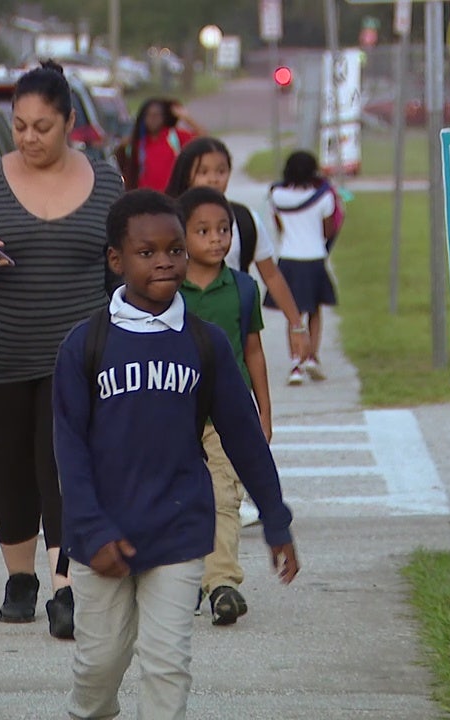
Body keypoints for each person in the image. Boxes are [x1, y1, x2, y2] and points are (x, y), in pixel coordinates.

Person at [53, 189, 299, 720]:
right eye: (147, 252)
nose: (164, 260)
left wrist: (276, 519)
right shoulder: (83, 346)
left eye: (174, 249)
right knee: (99, 665)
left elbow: (243, 437)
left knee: (167, 665)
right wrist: (92, 531)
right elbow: (69, 453)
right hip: (102, 537)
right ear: (116, 260)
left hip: (179, 530)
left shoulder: (204, 343)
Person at [0, 59, 125, 641]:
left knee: (61, 466)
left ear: (69, 123)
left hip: (78, 355)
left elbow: (124, 259)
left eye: (42, 126)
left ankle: (64, 586)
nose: (29, 137)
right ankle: (20, 579)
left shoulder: (107, 180)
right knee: (11, 469)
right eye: (19, 126)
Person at [165, 136, 309, 528]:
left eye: (222, 170)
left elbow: (271, 275)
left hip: (229, 365)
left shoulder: (244, 220)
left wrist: (297, 323)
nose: (214, 178)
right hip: (178, 381)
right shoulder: (167, 223)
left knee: (224, 477)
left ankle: (223, 557)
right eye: (204, 170)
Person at [175, 185, 272, 626]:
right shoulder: (166, 289)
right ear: (182, 237)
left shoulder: (245, 289)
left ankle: (223, 584)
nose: (216, 239)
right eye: (204, 231)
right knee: (177, 498)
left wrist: (262, 413)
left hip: (225, 417)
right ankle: (182, 578)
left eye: (224, 230)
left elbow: (253, 351)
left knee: (223, 498)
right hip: (172, 412)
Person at [266, 150, 338, 386]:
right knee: (315, 311)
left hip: (289, 257)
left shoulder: (277, 195)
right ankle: (312, 357)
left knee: (293, 314)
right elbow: (327, 229)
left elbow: (279, 226)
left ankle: (296, 363)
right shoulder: (324, 197)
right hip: (314, 257)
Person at [115, 98, 207, 192]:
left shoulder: (174, 136)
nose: (153, 119)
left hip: (173, 195)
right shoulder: (138, 142)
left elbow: (204, 138)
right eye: (149, 115)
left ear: (164, 117)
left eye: (157, 115)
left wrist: (185, 117)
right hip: (146, 198)